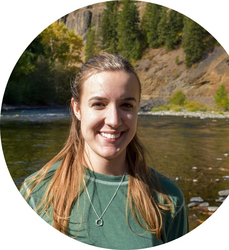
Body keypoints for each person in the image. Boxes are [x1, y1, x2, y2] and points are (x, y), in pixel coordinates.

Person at [20, 53, 189, 249]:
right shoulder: (36, 192)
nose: (114, 120)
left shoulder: (168, 199)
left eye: (126, 105)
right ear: (77, 108)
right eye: (99, 104)